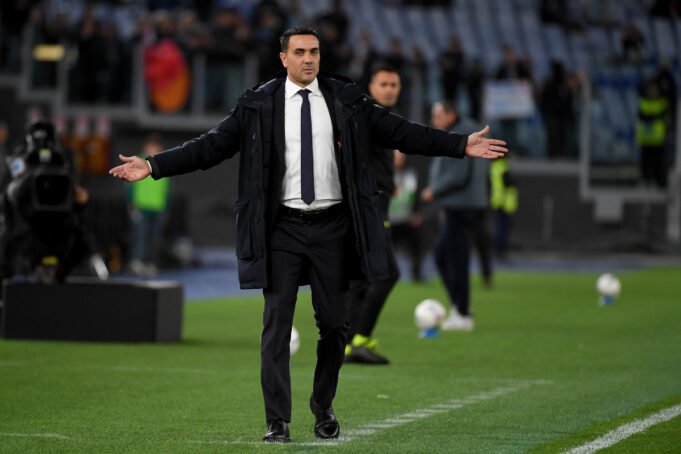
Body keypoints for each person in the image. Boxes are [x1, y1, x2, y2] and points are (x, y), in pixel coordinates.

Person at [110, 27, 507, 443]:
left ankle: (322, 405)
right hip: (281, 228)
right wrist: (153, 165)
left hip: (333, 227)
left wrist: (460, 145)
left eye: (314, 52)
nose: (308, 59)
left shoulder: (346, 100)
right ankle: (277, 420)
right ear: (283, 57)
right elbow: (209, 147)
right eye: (299, 52)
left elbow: (402, 132)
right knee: (276, 323)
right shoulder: (257, 104)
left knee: (335, 325)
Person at [344, 65, 402, 365]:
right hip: (370, 205)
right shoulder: (368, 116)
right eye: (384, 84)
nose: (389, 89)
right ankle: (360, 339)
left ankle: (348, 344)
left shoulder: (377, 117)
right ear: (372, 86)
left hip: (374, 203)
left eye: (394, 84)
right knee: (387, 273)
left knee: (360, 279)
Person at [421, 102, 491, 331]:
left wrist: (434, 189)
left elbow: (459, 174)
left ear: (450, 115)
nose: (433, 119)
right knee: (443, 255)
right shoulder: (464, 129)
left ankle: (462, 313)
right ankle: (460, 307)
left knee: (455, 259)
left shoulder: (462, 134)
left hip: (462, 206)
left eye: (437, 114)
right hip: (463, 204)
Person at [128, 133, 170, 277]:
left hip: (157, 208)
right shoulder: (138, 162)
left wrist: (165, 207)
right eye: (151, 146)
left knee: (154, 239)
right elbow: (130, 185)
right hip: (141, 207)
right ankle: (137, 262)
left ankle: (150, 263)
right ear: (146, 146)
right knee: (140, 237)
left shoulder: (164, 163)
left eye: (156, 146)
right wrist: (131, 205)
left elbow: (167, 188)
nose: (153, 149)